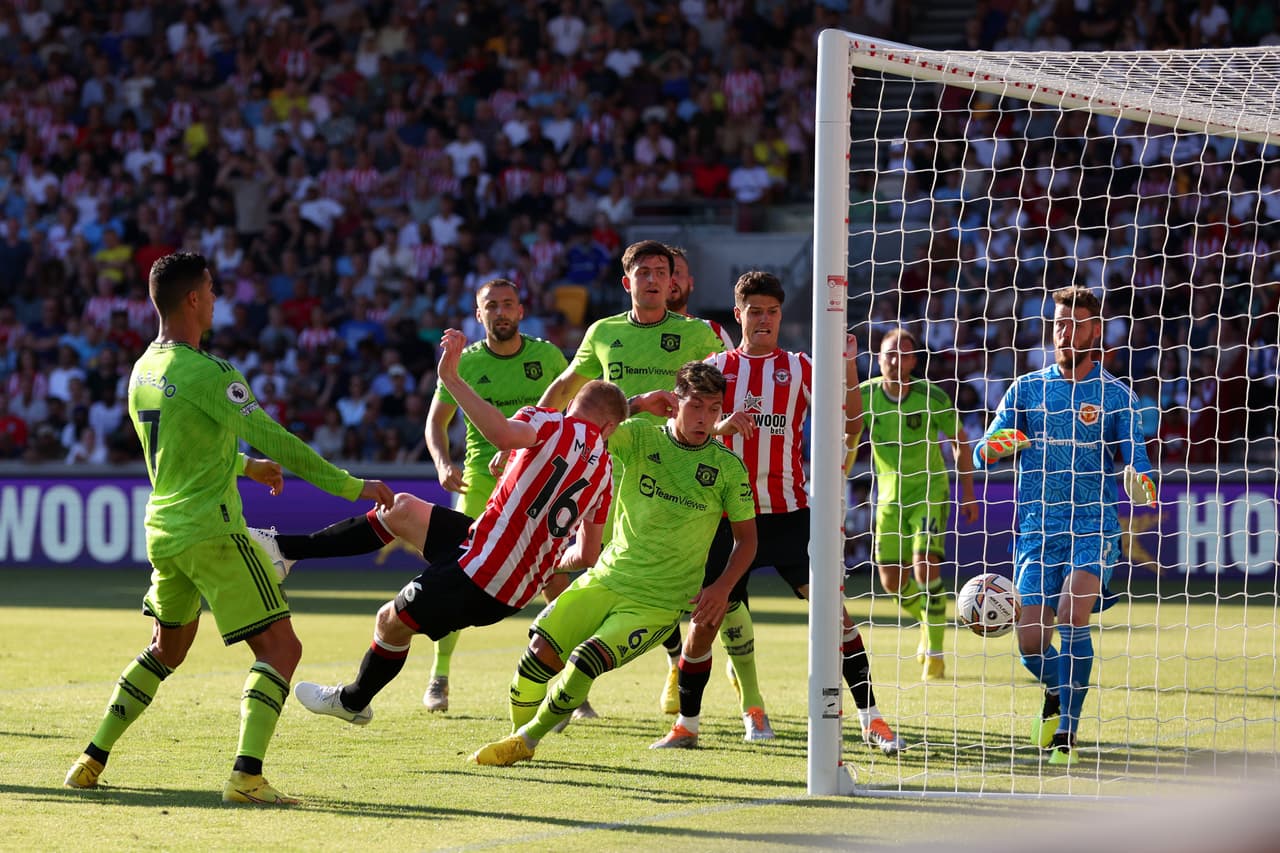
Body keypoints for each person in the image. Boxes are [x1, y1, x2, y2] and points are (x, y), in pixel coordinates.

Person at [63, 251, 393, 805]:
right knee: (281, 649)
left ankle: (89, 759)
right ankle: (246, 776)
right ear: (193, 299)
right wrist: (349, 485)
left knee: (165, 651)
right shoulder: (210, 373)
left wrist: (243, 466)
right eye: (212, 289)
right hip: (214, 531)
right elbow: (278, 437)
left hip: (164, 532)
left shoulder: (143, 369)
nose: (216, 298)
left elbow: (180, 451)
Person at [289, 329, 656, 728]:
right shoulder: (603, 475)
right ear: (608, 429)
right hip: (510, 580)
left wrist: (451, 378)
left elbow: (499, 432)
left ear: (573, 405)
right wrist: (548, 560)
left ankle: (353, 700)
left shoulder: (550, 422)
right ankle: (289, 552)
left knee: (389, 621)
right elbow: (586, 555)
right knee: (402, 509)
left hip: (480, 571)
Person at [651, 272, 904, 754]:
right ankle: (687, 725)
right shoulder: (716, 367)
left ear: (780, 316)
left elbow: (853, 420)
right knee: (705, 621)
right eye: (754, 310)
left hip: (788, 513)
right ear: (738, 313)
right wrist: (721, 425)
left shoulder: (800, 367)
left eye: (771, 311)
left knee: (836, 615)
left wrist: (849, 366)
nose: (763, 319)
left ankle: (872, 719)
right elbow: (684, 429)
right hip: (724, 520)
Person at [470, 361, 757, 766]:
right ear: (675, 403)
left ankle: (527, 741)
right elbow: (586, 422)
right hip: (605, 578)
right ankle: (517, 736)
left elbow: (748, 542)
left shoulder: (728, 468)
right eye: (695, 406)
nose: (705, 419)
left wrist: (722, 586)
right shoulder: (639, 437)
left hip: (658, 602)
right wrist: (638, 403)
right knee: (538, 652)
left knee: (586, 658)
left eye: (714, 409)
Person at [537, 240, 724, 712]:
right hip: (604, 470)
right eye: (644, 272)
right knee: (578, 562)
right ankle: (570, 680)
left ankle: (682, 666)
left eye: (662, 271)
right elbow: (568, 390)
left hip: (669, 478)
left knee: (666, 582)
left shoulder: (699, 336)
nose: (654, 279)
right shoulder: (603, 332)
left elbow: (726, 392)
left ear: (673, 282)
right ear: (628, 282)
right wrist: (527, 436)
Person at [973, 286, 1157, 766]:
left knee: (1074, 611)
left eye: (1076, 322)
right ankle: (1057, 694)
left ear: (1095, 329)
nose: (1065, 330)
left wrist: (1142, 481)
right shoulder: (1026, 389)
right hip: (1035, 531)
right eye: (1058, 322)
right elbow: (981, 448)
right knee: (1031, 646)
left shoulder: (1114, 395)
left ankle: (1067, 736)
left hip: (1093, 526)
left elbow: (1136, 458)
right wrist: (996, 446)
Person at [422, 278, 567, 712]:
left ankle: (572, 686)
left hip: (538, 481)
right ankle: (439, 677)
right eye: (492, 306)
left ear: (521, 311)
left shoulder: (547, 356)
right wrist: (443, 463)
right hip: (480, 484)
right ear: (478, 313)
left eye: (508, 304)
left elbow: (569, 413)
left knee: (555, 580)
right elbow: (435, 422)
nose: (501, 312)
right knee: (452, 573)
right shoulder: (461, 363)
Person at [849, 327, 979, 682]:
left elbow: (959, 440)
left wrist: (967, 491)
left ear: (914, 360)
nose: (895, 360)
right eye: (889, 353)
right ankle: (927, 621)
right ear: (878, 358)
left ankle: (935, 654)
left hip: (929, 492)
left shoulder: (931, 395)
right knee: (891, 582)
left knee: (925, 570)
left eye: (903, 354)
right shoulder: (865, 396)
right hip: (889, 498)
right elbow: (848, 438)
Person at [665, 245, 734, 349]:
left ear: (690, 283)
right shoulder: (632, 330)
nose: (672, 279)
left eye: (677, 272)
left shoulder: (712, 331)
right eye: (663, 273)